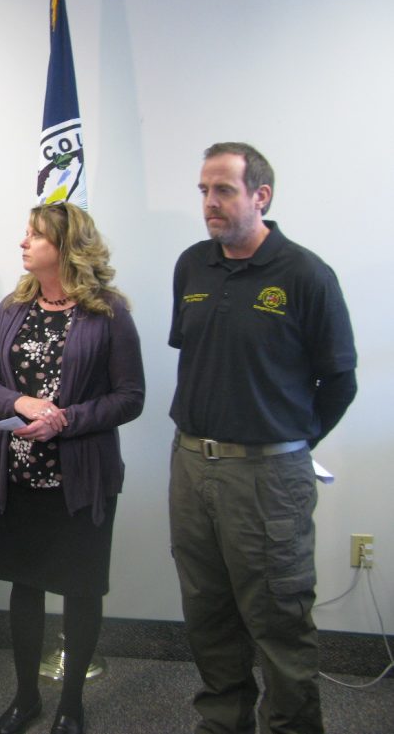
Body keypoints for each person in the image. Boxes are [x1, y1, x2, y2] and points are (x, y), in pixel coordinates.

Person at [168, 143, 356, 734]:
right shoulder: (192, 266)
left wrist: (289, 443)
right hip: (191, 465)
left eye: (223, 190)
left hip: (267, 477)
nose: (209, 202)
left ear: (261, 196)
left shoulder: (305, 274)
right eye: (204, 190)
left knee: (278, 619)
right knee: (207, 611)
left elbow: (340, 381)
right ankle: (223, 721)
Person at [0, 202, 144, 734]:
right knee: (24, 588)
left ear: (67, 247)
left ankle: (71, 705)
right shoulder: (13, 308)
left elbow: (130, 397)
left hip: (81, 480)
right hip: (19, 477)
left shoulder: (108, 312)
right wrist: (20, 403)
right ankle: (26, 697)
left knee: (80, 589)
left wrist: (65, 420)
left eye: (35, 236)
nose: (23, 243)